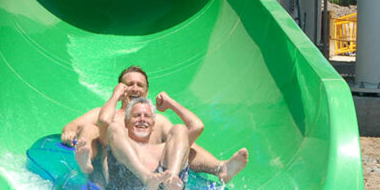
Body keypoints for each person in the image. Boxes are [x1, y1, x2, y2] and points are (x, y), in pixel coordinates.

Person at [61, 65, 248, 182]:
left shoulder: (156, 121)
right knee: (91, 129)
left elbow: (192, 131)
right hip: (115, 171)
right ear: (120, 88)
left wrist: (171, 103)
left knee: (181, 139)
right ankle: (86, 163)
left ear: (146, 91)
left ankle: (220, 168)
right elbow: (75, 126)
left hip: (153, 170)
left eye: (140, 85)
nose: (135, 88)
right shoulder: (106, 112)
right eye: (129, 84)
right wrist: (69, 133)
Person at [103, 96, 200, 190]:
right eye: (136, 115)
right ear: (126, 123)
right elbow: (104, 121)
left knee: (180, 129)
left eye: (147, 116)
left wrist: (170, 103)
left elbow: (197, 126)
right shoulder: (119, 145)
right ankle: (147, 178)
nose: (142, 119)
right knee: (114, 127)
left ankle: (171, 181)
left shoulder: (167, 151)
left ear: (153, 125)